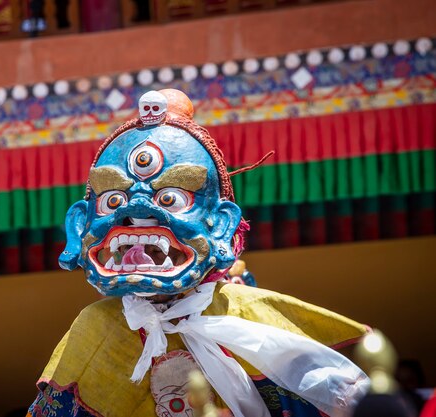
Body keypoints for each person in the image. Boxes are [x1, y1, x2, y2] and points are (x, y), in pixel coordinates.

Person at [27, 89, 370, 416]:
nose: (137, 215)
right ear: (79, 226)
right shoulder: (98, 327)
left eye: (170, 198)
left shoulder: (248, 313)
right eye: (113, 200)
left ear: (220, 225)